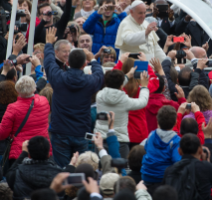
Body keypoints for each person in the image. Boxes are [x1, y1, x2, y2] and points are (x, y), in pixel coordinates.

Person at [44, 27, 104, 167]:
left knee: (62, 170)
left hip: (60, 132)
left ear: (68, 63)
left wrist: (48, 44)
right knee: (81, 168)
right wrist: (93, 59)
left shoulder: (58, 78)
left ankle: (64, 189)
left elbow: (49, 63)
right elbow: (100, 76)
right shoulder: (89, 82)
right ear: (84, 64)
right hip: (80, 132)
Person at [94, 69, 149, 158]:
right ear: (121, 85)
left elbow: (113, 87)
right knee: (120, 169)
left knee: (102, 169)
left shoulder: (99, 96)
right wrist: (144, 86)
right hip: (120, 141)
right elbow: (143, 101)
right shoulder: (125, 100)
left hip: (100, 139)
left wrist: (127, 76)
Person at [6, 136, 73, 200]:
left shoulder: (18, 173)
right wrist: (71, 166)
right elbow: (68, 189)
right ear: (48, 155)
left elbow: (9, 175)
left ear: (29, 155)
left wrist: (24, 153)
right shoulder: (58, 175)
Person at [0, 76, 51, 166]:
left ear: (17, 90)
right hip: (42, 148)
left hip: (20, 151)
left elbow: (3, 133)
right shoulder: (44, 101)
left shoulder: (13, 108)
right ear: (34, 88)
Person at [141, 106, 181, 193]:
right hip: (163, 180)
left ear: (157, 121)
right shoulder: (176, 140)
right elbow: (177, 162)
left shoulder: (151, 135)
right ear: (175, 123)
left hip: (146, 176)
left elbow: (146, 148)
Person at [164, 134, 212, 200]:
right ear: (200, 150)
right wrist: (206, 161)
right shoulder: (206, 167)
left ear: (179, 151)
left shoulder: (169, 170)